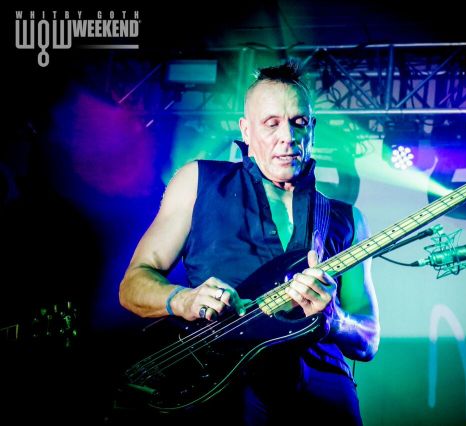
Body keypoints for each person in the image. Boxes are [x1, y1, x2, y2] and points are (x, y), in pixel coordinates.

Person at [119, 61, 380, 425]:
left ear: (312, 128)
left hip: (321, 394)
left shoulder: (347, 219)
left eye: (298, 122)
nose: (287, 136)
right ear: (246, 130)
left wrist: (335, 319)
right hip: (224, 391)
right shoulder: (198, 181)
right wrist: (184, 300)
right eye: (271, 123)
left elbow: (369, 337)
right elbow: (133, 284)